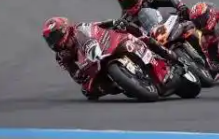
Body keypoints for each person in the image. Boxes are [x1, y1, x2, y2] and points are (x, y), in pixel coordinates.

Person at [42, 16, 184, 100]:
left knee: (135, 33)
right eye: (50, 40)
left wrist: (114, 22)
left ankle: (167, 54)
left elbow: (99, 24)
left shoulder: (79, 29)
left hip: (111, 44)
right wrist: (81, 75)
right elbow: (75, 74)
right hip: (95, 65)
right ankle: (124, 84)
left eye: (54, 37)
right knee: (88, 92)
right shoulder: (61, 56)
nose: (53, 42)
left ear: (64, 30)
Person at [115, 0, 189, 27]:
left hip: (164, 26)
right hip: (149, 42)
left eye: (130, 1)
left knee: (186, 16)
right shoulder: (125, 18)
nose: (128, 5)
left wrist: (181, 6)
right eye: (124, 4)